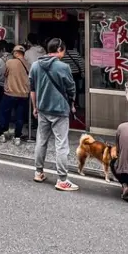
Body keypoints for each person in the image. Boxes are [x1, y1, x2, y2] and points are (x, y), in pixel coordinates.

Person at [30, 38, 79, 191]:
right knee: (61, 144)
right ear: (59, 49)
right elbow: (71, 88)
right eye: (63, 50)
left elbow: (32, 89)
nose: (63, 53)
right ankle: (62, 180)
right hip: (59, 110)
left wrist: (35, 107)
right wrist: (72, 104)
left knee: (41, 141)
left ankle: (38, 172)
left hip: (43, 108)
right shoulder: (63, 67)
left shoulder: (35, 65)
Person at [0, 44, 30, 145]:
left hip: (10, 93)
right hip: (23, 94)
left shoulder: (10, 62)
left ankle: (1, 134)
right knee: (20, 116)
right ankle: (17, 137)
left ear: (16, 53)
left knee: (3, 113)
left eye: (13, 52)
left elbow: (5, 74)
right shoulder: (28, 63)